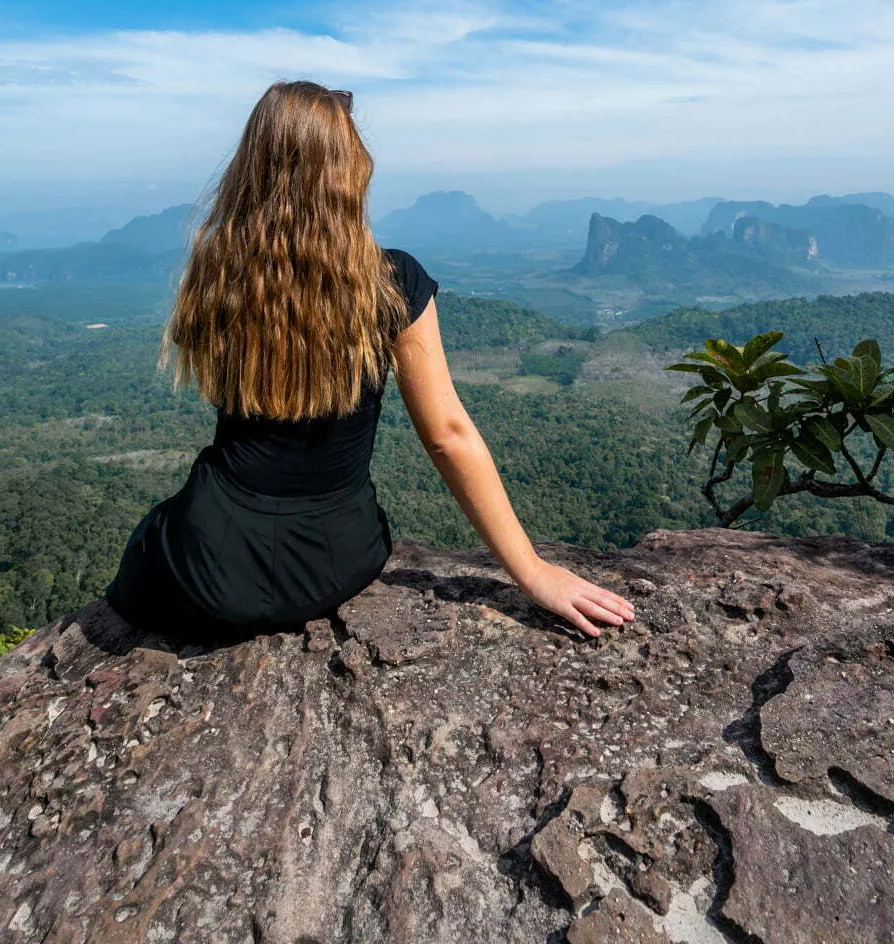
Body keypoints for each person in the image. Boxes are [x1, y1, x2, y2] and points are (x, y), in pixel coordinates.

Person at [106, 80, 635, 644]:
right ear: (349, 172)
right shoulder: (390, 283)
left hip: (209, 569)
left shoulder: (219, 277)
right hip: (337, 560)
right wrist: (531, 571)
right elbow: (447, 435)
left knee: (150, 536)